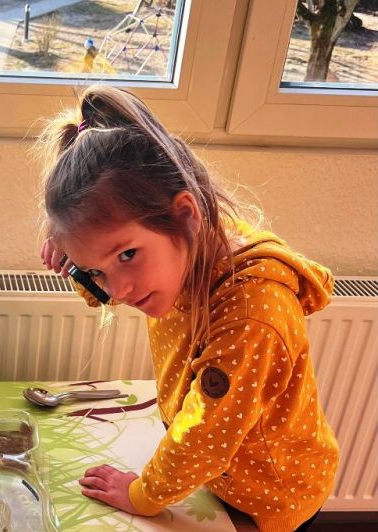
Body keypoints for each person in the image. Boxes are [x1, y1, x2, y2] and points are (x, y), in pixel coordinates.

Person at [38, 85, 337, 532]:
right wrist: (81, 267)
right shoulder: (187, 252)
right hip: (220, 475)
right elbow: (113, 289)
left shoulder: (252, 311)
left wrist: (142, 495)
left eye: (126, 255)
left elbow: (206, 434)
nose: (119, 290)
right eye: (97, 270)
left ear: (186, 215)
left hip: (271, 496)